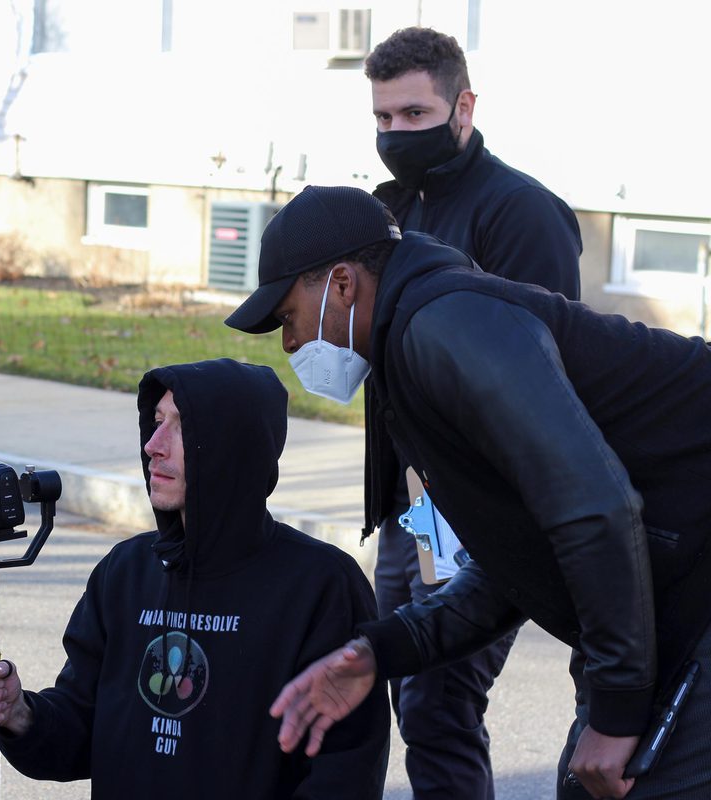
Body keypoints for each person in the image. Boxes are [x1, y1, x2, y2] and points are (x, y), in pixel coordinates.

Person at [225, 185, 711, 800]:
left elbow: (594, 508)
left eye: (288, 317)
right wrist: (383, 650)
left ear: (343, 284)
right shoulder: (412, 345)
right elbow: (517, 562)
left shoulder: (446, 325)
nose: (290, 343)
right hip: (665, 584)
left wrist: (617, 711)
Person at [0, 358, 389, 798]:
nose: (153, 445)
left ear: (233, 446)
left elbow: (345, 775)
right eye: (156, 421)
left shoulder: (321, 586)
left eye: (181, 427)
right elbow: (80, 731)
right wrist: (19, 712)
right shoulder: (124, 572)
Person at [362, 26, 583, 799]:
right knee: (399, 683)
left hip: (481, 508)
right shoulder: (395, 209)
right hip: (411, 504)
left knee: (440, 695)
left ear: (464, 107)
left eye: (414, 115)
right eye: (384, 119)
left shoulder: (520, 213)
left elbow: (547, 373)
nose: (396, 134)